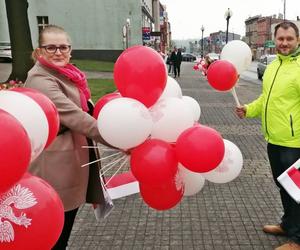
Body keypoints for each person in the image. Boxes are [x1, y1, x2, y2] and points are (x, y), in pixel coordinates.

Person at [25, 25, 112, 249]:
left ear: (70, 50)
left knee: (62, 230)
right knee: (54, 235)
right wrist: (118, 139)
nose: (58, 52)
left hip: (68, 164)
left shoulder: (66, 75)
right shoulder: (41, 80)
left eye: (63, 47)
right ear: (39, 51)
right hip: (54, 170)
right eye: (51, 47)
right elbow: (77, 118)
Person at [235, 21, 300, 250]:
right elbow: (267, 100)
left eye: (289, 39)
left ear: (297, 40)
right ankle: (288, 225)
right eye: (280, 39)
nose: (284, 43)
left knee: (297, 192)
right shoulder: (273, 67)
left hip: (295, 143)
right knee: (283, 186)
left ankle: (298, 239)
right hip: (273, 139)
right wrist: (249, 109)